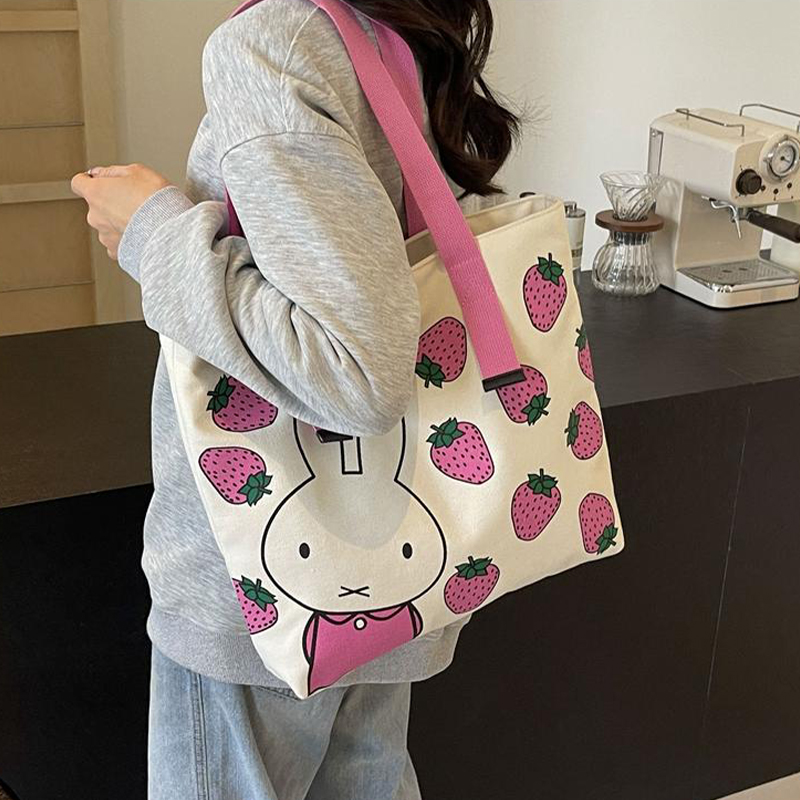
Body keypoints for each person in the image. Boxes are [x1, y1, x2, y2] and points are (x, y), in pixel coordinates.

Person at [71, 0, 522, 797]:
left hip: (259, 597)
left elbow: (354, 370)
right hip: (391, 568)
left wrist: (152, 231)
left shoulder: (273, 44)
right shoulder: (381, 31)